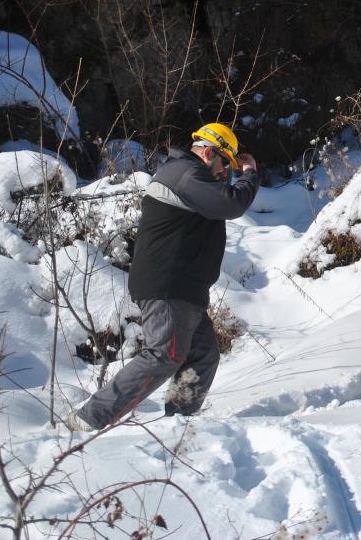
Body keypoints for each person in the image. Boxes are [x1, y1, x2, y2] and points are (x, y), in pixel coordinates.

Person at [65, 123, 258, 431]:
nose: (226, 173)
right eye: (225, 164)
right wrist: (249, 173)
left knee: (203, 355)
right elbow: (231, 203)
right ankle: (89, 419)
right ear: (209, 153)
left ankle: (178, 425)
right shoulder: (184, 173)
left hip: (185, 289)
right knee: (163, 355)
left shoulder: (193, 176)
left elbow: (220, 202)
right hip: (168, 285)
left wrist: (233, 174)